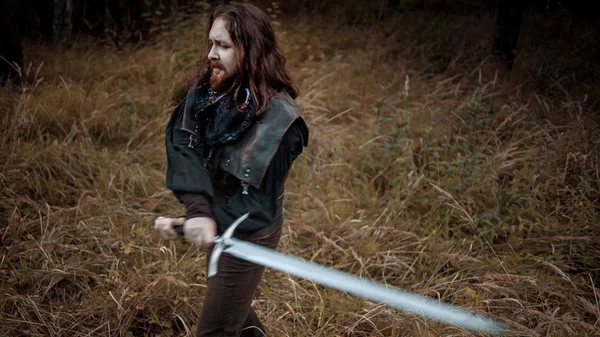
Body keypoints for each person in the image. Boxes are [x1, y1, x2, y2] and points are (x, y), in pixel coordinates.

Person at [154, 2, 309, 337]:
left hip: (249, 232)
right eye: (211, 43)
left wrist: (200, 220)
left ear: (251, 50)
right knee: (232, 308)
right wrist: (197, 209)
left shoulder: (281, 123)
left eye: (223, 46)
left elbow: (254, 205)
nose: (212, 54)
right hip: (217, 216)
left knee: (216, 328)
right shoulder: (210, 90)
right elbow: (183, 141)